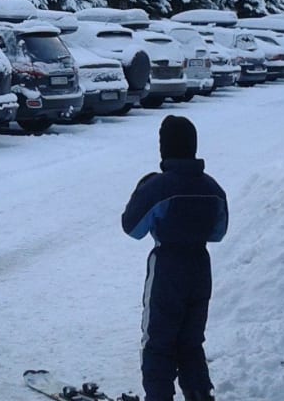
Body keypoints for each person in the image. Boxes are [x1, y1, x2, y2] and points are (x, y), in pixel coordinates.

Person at [121, 115, 229, 401]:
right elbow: (219, 232)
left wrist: (141, 189)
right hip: (200, 267)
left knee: (158, 341)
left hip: (168, 268)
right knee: (191, 341)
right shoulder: (213, 188)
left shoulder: (159, 187)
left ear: (165, 148)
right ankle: (200, 396)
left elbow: (131, 227)